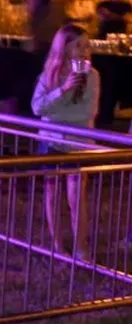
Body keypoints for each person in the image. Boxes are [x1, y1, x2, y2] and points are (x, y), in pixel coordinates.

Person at [30, 23, 99, 260]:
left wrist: (55, 113)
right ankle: (57, 246)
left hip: (78, 144)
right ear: (64, 47)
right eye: (78, 45)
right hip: (50, 142)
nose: (84, 50)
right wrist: (63, 90)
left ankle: (81, 248)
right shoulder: (49, 75)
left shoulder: (92, 76)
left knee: (76, 196)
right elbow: (37, 107)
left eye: (86, 45)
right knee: (52, 193)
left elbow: (87, 113)